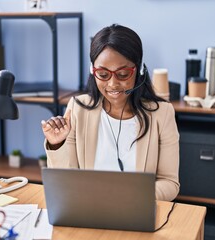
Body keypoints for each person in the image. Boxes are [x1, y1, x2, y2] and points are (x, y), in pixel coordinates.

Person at [41, 24, 180, 201]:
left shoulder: (162, 113)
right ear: (93, 71)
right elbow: (65, 182)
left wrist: (131, 197)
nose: (113, 84)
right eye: (103, 74)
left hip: (136, 211)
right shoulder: (78, 108)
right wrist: (56, 144)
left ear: (139, 70)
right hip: (89, 210)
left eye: (122, 74)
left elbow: (169, 183)